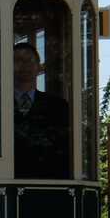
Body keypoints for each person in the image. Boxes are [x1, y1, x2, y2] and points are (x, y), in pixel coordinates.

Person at [12, 43, 70, 179]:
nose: (24, 65)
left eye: (29, 60)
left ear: (39, 67)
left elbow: (65, 148)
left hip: (48, 182)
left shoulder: (58, 106)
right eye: (18, 60)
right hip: (7, 178)